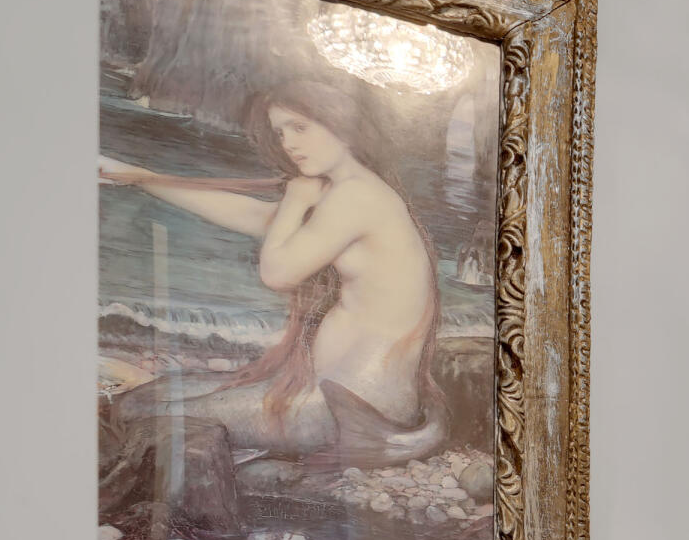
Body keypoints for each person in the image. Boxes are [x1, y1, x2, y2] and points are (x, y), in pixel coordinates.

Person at [99, 75, 445, 461]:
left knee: (135, 411)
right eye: (281, 132)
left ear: (342, 125)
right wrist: (137, 177)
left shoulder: (357, 195)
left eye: (299, 127)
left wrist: (296, 202)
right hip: (335, 395)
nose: (289, 143)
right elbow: (257, 217)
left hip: (355, 411)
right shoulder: (347, 189)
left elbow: (278, 273)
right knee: (149, 395)